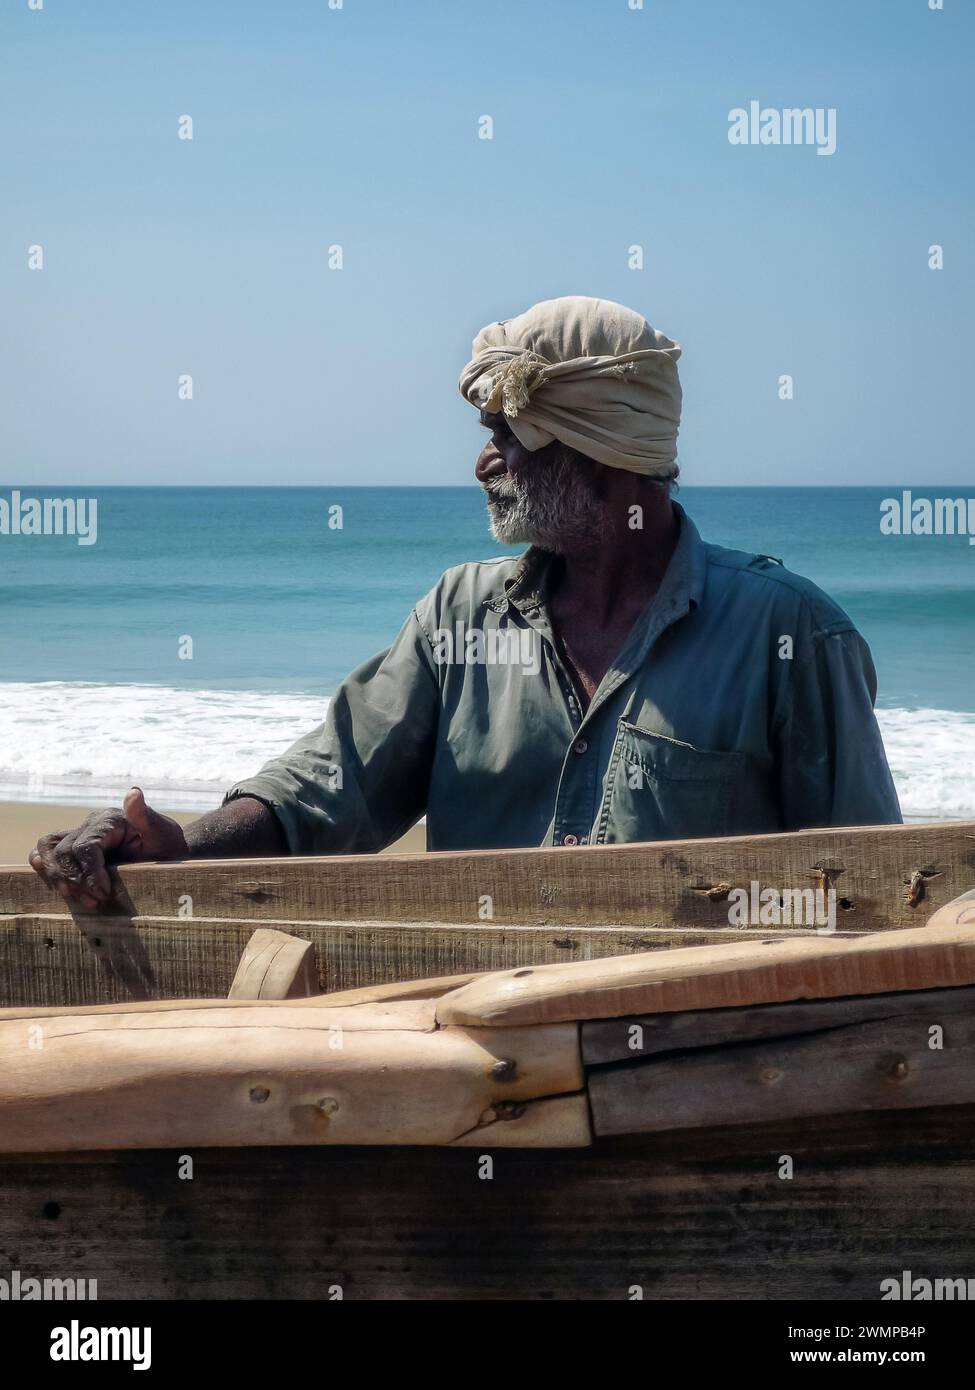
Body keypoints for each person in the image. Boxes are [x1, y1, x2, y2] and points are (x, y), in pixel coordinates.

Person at [30, 296, 901, 910]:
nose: (485, 465)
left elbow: (865, 883)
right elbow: (326, 793)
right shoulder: (460, 617)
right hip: (480, 1050)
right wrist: (177, 844)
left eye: (507, 441)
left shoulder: (787, 632)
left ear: (599, 458)